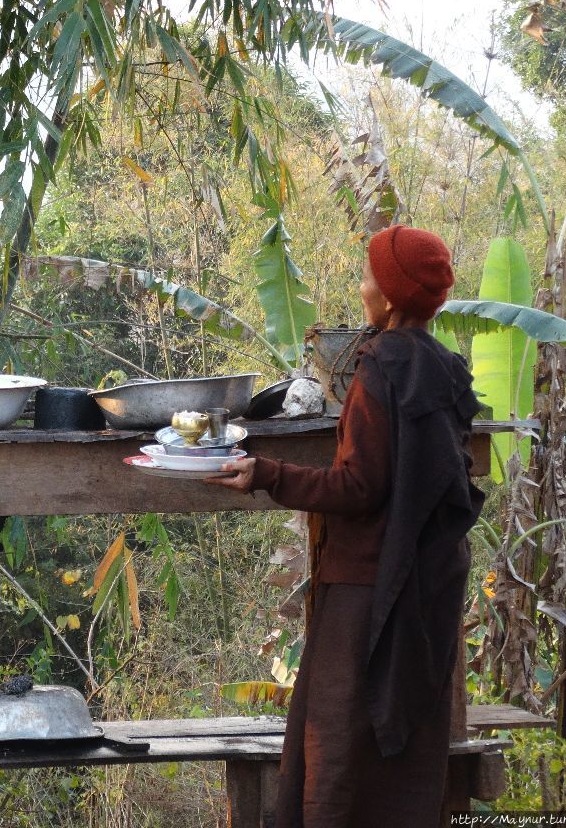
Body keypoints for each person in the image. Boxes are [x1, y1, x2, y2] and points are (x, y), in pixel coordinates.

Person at [206, 224, 485, 828]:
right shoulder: (446, 370)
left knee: (333, 748)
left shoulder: (381, 366)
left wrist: (264, 474)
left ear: (388, 296)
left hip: (366, 590)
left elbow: (360, 487)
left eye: (368, 277)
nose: (362, 288)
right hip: (425, 586)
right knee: (403, 748)